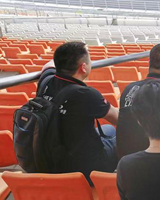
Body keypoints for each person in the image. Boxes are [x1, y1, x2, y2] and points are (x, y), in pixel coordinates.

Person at [36, 42, 118, 178]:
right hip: (87, 167)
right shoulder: (86, 94)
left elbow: (48, 66)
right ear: (83, 67)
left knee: (109, 129)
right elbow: (118, 119)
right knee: (123, 136)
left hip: (53, 159)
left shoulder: (46, 81)